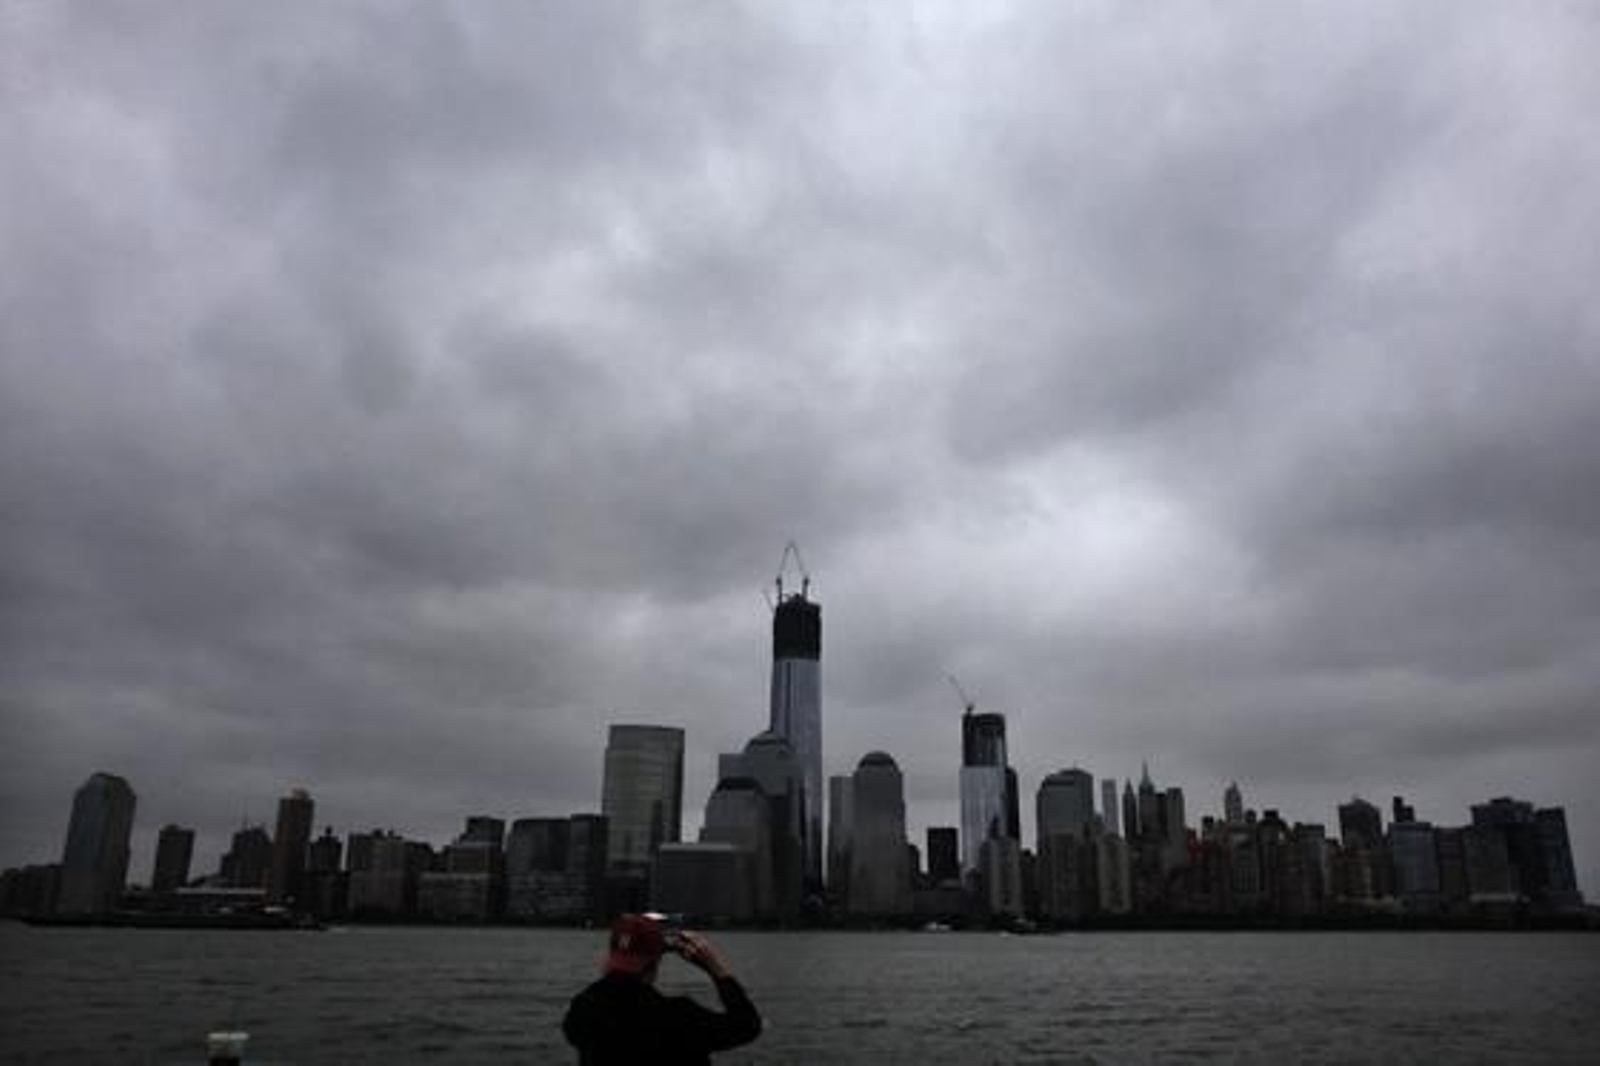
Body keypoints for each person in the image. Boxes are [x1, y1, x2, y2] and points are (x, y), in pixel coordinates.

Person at [562, 913, 762, 1064]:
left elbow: (610, 990)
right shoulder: (679, 1017)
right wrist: (714, 967)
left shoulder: (581, 1012)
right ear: (654, 965)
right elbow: (748, 1025)